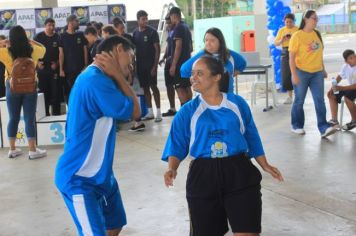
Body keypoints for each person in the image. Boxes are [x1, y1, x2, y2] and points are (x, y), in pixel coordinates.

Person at [162, 55, 283, 236]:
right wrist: (172, 168)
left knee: (248, 231)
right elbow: (177, 143)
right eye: (193, 74)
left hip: (239, 172)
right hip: (203, 175)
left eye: (200, 73)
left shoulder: (237, 104)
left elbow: (251, 135)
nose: (193, 78)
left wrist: (264, 164)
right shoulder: (187, 111)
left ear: (217, 77)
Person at [55, 36, 140, 236]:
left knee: (115, 224)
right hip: (80, 179)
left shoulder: (97, 77)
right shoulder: (95, 80)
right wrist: (119, 76)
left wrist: (119, 75)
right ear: (119, 49)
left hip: (101, 176)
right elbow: (136, 112)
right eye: (131, 57)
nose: (131, 65)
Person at [0, 25, 47, 159]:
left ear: (11, 38)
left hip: (12, 86)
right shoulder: (34, 50)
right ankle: (32, 150)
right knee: (29, 118)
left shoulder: (6, 52)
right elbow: (44, 49)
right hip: (30, 86)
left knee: (13, 118)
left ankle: (12, 149)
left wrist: (3, 42)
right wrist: (32, 41)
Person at [289, 10, 337, 138]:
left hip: (317, 73)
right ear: (306, 19)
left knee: (319, 100)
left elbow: (319, 54)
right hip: (301, 72)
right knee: (299, 100)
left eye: (317, 19)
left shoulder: (317, 34)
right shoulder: (297, 36)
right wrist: (294, 75)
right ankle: (296, 125)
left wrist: (323, 69)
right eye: (314, 18)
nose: (316, 21)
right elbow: (291, 57)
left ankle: (323, 127)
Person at [181, 27, 246, 94]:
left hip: (228, 96)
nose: (208, 43)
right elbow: (184, 69)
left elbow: (242, 64)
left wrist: (230, 75)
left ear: (220, 41)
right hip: (205, 99)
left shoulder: (229, 54)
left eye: (212, 41)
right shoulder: (200, 56)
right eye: (206, 40)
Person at [132, 10, 162, 124]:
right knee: (145, 89)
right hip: (140, 66)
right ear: (138, 20)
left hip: (151, 66)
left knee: (154, 87)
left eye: (146, 18)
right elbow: (133, 51)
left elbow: (157, 50)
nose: (146, 21)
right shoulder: (135, 33)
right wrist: (133, 65)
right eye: (143, 19)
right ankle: (150, 112)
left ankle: (158, 112)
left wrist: (155, 66)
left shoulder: (152, 32)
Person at [166, 7, 193, 111]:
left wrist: (173, 65)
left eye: (171, 17)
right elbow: (190, 47)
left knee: (179, 88)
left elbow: (178, 46)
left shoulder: (178, 28)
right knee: (187, 87)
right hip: (187, 63)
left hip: (179, 65)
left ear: (174, 16)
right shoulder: (186, 27)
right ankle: (190, 110)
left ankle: (185, 112)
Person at [34, 18, 61, 116]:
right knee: (43, 93)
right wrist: (37, 63)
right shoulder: (38, 37)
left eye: (53, 25)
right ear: (45, 26)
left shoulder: (58, 37)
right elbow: (32, 51)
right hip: (42, 69)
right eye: (49, 25)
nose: (51, 27)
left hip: (54, 68)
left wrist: (57, 63)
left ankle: (56, 115)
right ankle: (44, 114)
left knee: (55, 93)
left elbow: (62, 53)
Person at [59, 14, 88, 103]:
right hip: (68, 70)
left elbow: (85, 51)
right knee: (70, 91)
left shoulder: (80, 35)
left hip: (81, 70)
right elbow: (61, 53)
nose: (78, 23)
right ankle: (72, 109)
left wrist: (86, 66)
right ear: (70, 23)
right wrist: (61, 69)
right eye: (77, 21)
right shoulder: (62, 36)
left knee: (81, 90)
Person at [327, 49, 356, 131]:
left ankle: (354, 121)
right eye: (351, 58)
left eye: (354, 56)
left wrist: (343, 88)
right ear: (346, 61)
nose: (354, 59)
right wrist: (332, 88)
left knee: (348, 97)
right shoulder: (345, 66)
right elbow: (339, 77)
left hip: (353, 88)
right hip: (351, 88)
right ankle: (334, 120)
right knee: (331, 94)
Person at [274, 13, 298, 105]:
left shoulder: (297, 29)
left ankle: (298, 95)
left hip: (296, 52)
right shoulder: (282, 30)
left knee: (297, 73)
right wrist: (282, 39)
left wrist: (293, 38)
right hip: (285, 52)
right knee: (286, 74)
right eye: (286, 22)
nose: (288, 24)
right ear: (284, 21)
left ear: (294, 21)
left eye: (290, 22)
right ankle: (289, 96)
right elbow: (276, 43)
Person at [159, 14, 177, 117]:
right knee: (169, 85)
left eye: (169, 22)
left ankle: (184, 109)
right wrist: (164, 57)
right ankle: (172, 108)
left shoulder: (179, 30)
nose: (168, 24)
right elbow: (168, 45)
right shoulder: (169, 31)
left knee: (179, 87)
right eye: (166, 22)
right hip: (169, 61)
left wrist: (174, 63)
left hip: (176, 63)